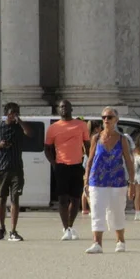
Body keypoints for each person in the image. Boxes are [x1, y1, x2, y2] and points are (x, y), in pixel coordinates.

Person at [84, 107, 135, 253]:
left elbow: (129, 162)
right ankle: (97, 243)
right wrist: (86, 180)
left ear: (116, 120)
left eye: (110, 117)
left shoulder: (122, 139)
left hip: (117, 181)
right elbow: (90, 160)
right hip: (97, 180)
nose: (106, 120)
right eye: (104, 117)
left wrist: (132, 183)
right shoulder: (96, 138)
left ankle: (120, 240)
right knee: (97, 211)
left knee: (117, 211)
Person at [45, 100, 90, 241]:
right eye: (61, 107)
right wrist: (54, 164)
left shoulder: (81, 125)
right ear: (58, 110)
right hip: (61, 166)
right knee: (62, 198)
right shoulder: (53, 128)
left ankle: (70, 226)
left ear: (71, 108)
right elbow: (47, 148)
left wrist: (89, 161)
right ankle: (66, 228)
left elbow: (87, 145)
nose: (64, 109)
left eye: (66, 106)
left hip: (77, 165)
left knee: (76, 199)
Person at [0, 103, 31, 242]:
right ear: (6, 113)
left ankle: (13, 231)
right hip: (1, 168)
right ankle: (1, 228)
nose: (14, 114)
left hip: (16, 168)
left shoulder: (19, 127)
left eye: (16, 112)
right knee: (2, 199)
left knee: (15, 198)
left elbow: (30, 133)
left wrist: (20, 121)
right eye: (11, 112)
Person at [82, 120, 102, 214]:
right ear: (96, 128)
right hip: (92, 160)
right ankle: (91, 208)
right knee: (92, 185)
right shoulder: (96, 138)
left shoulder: (86, 136)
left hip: (86, 160)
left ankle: (84, 208)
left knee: (86, 186)